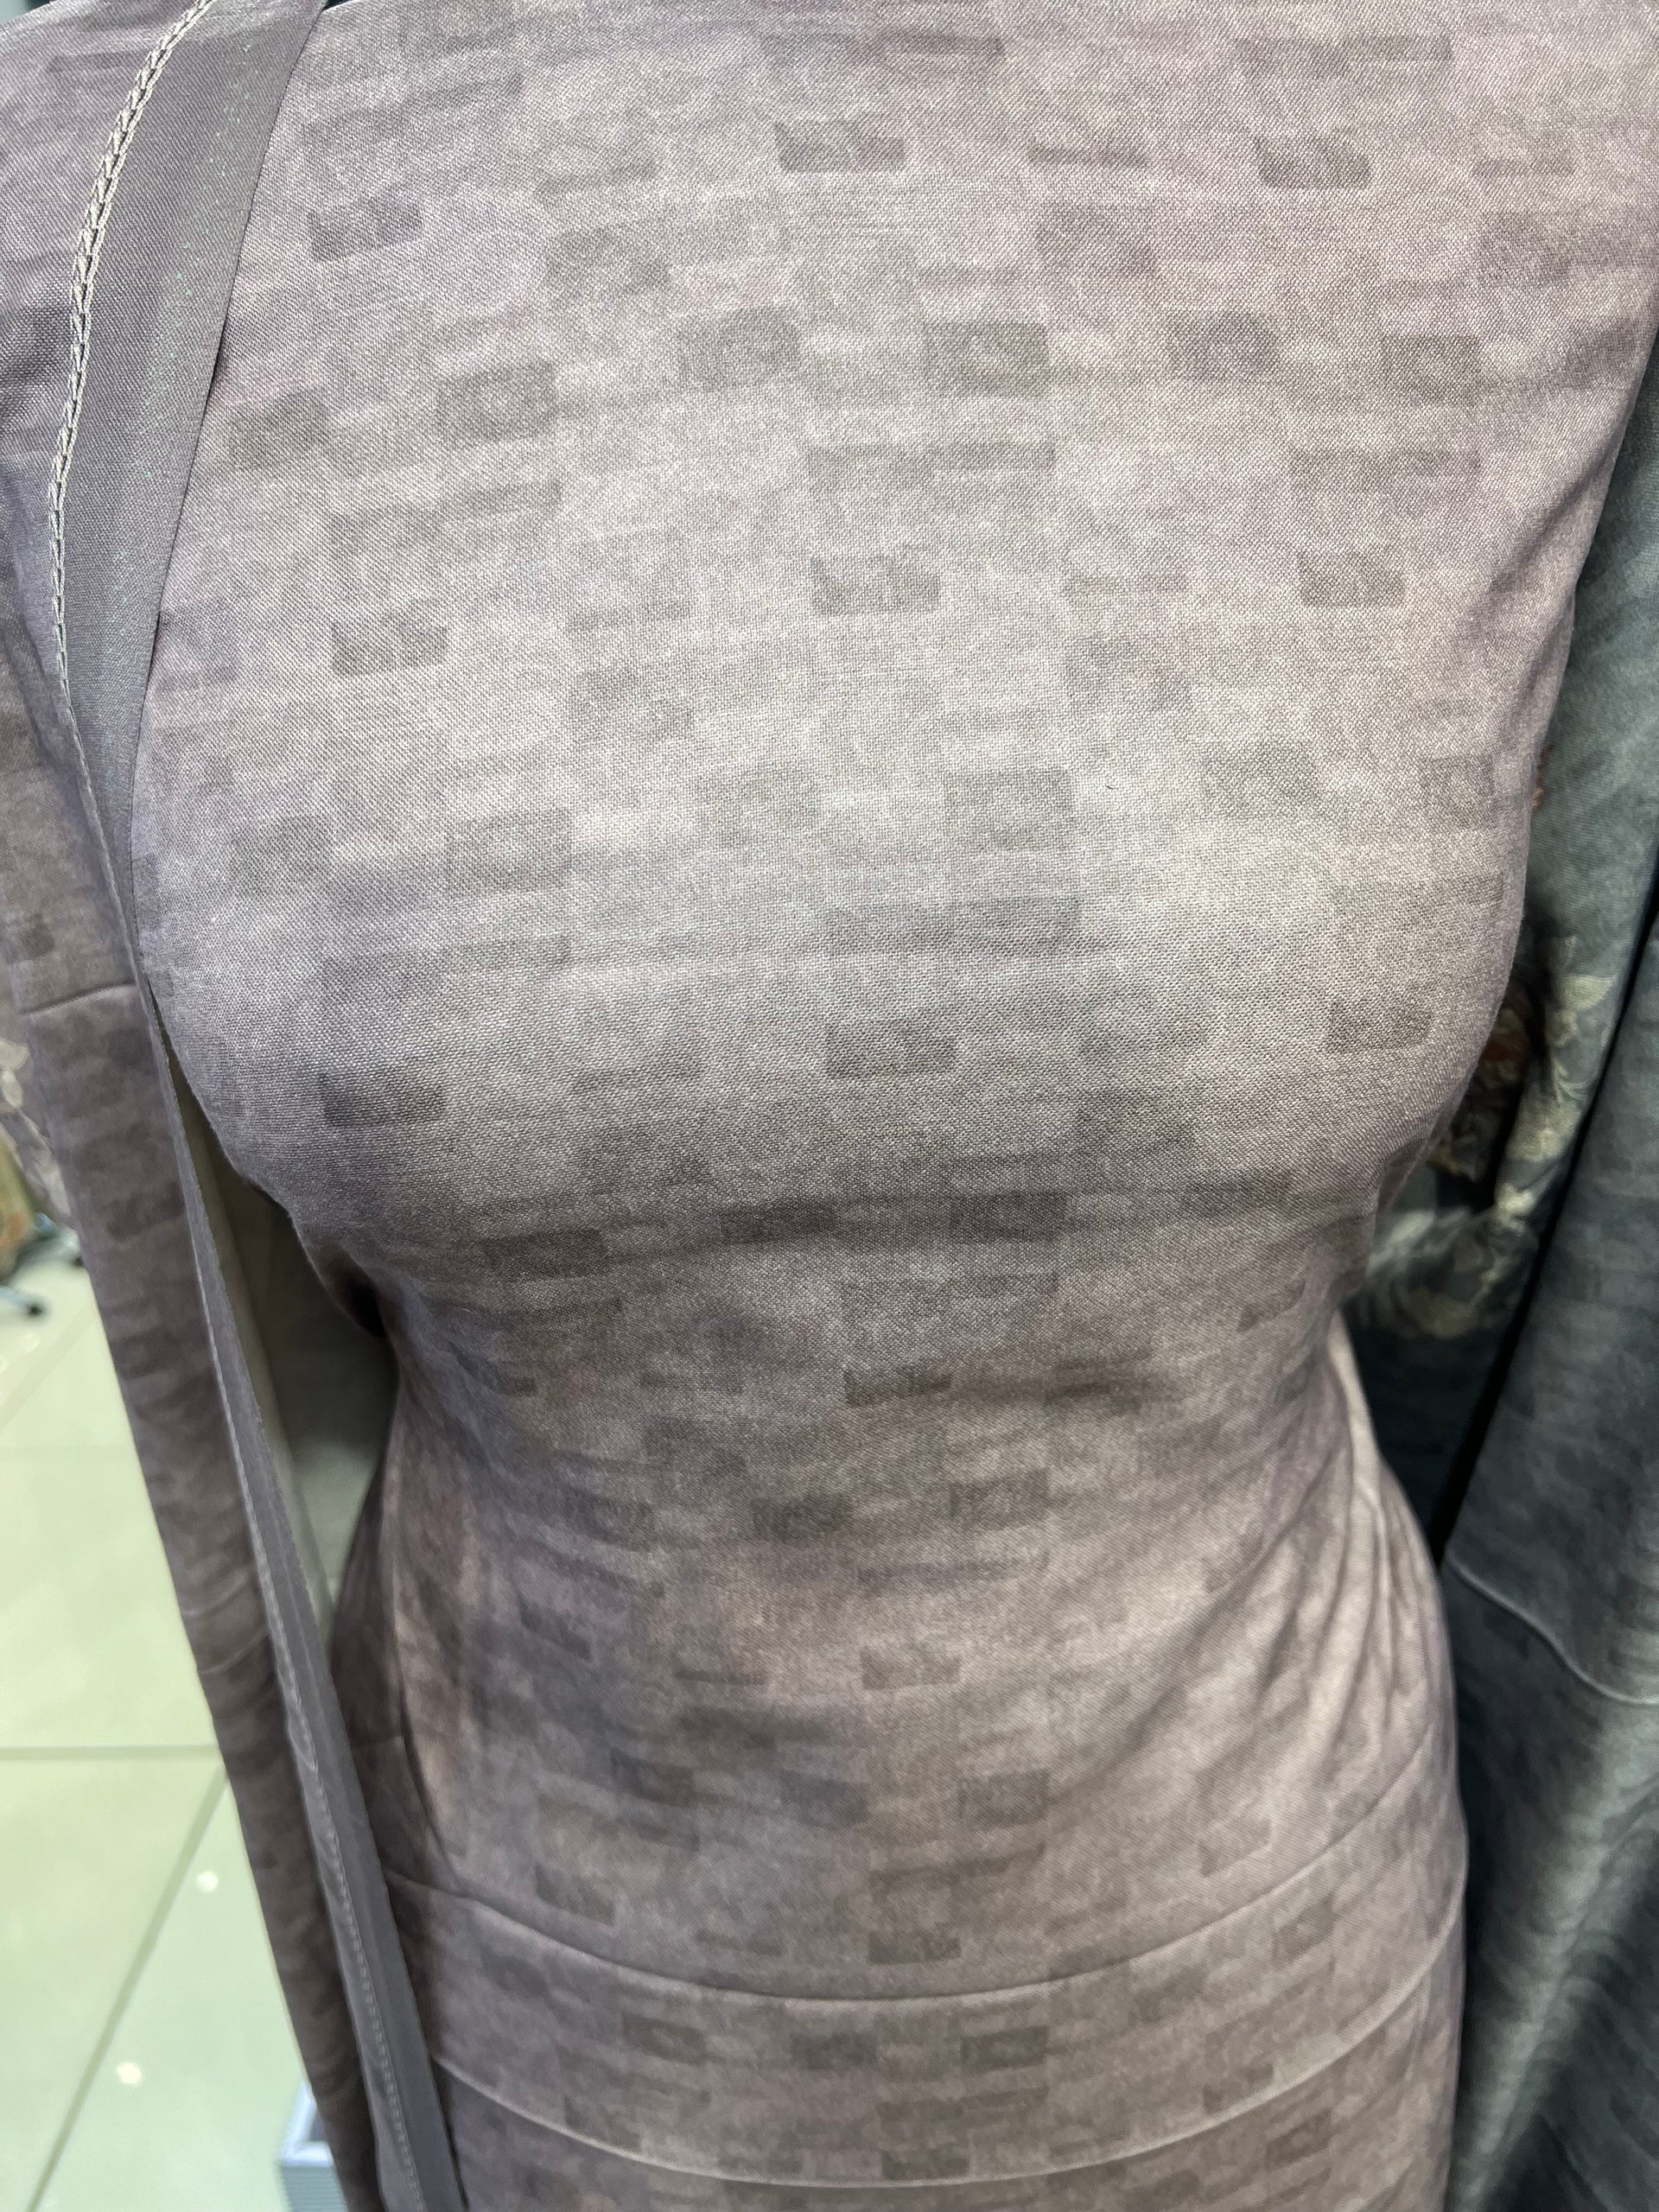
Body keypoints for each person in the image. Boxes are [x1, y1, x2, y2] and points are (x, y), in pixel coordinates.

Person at [4, 3, 1658, 2207]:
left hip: (1262, 1960)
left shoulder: (1545, 94)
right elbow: (175, 1289)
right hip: (552, 1964)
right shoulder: (112, 164)